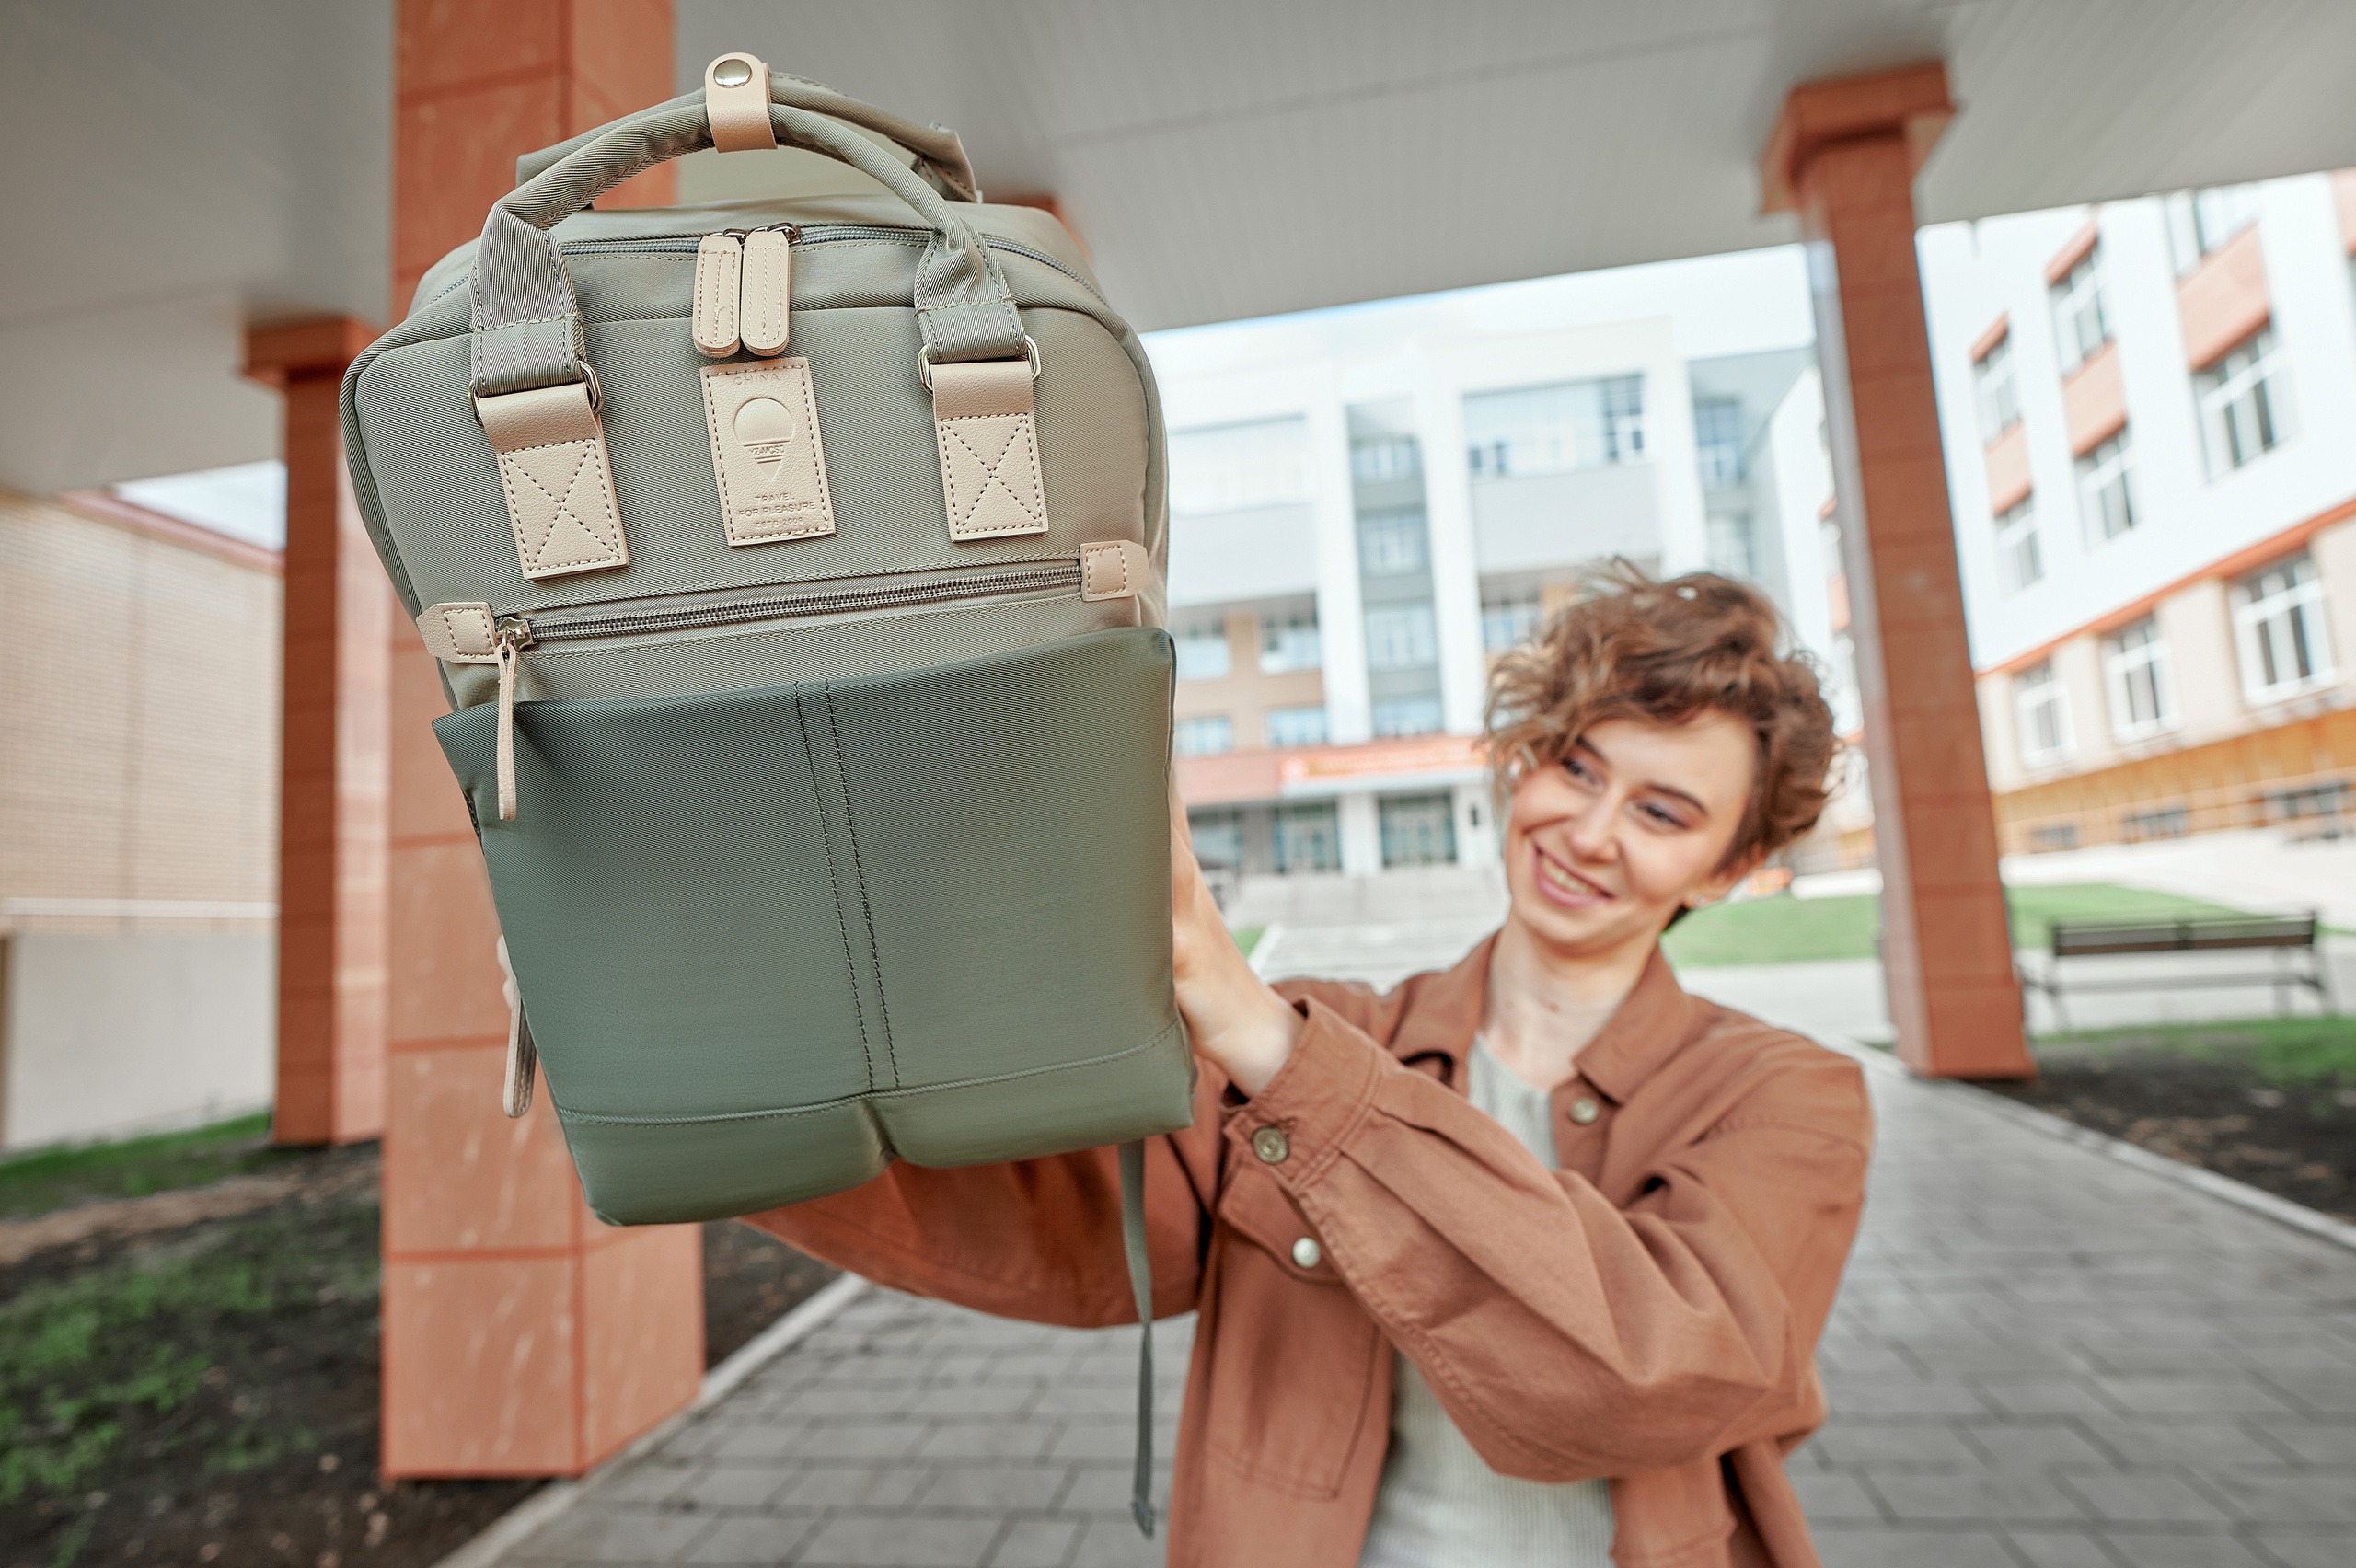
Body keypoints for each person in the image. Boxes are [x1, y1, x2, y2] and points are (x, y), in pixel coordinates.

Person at [748, 567, 1870, 1568]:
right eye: (1575, 765)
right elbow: (1044, 1207)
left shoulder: (1785, 1098)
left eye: (1662, 812)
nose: (1587, 830)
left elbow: (1658, 1373)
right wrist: (731, 1081)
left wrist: (1274, 1049)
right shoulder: (1340, 1032)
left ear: (1732, 866)